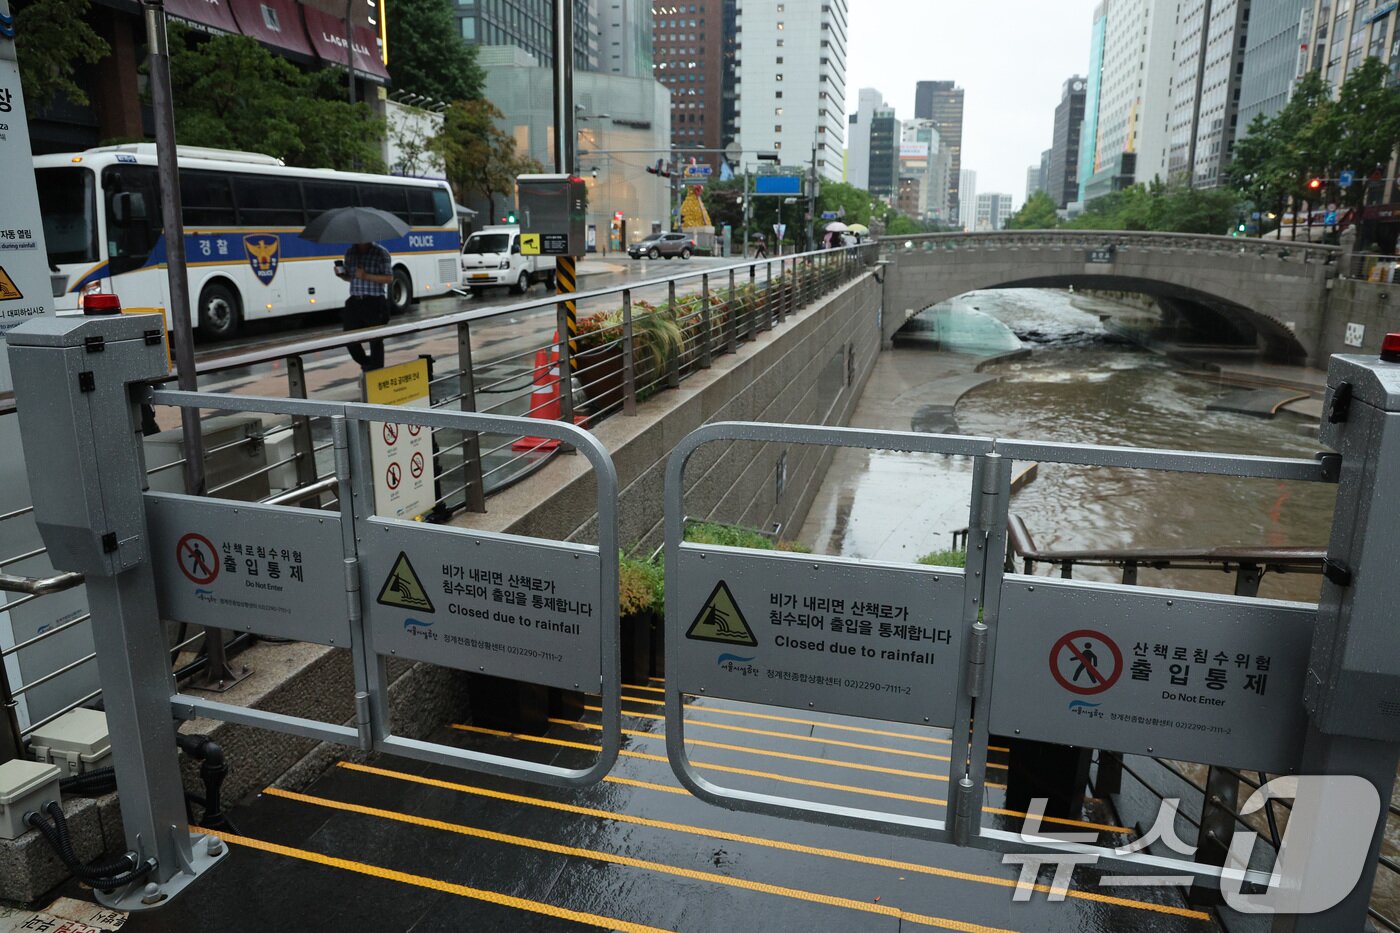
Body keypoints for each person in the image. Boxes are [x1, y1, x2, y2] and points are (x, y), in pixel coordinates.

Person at [337, 241, 393, 371]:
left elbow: (389, 278)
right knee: (349, 338)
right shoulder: (350, 252)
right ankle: (367, 363)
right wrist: (341, 274)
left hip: (374, 301)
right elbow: (351, 278)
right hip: (355, 301)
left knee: (375, 341)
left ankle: (376, 371)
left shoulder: (381, 252)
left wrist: (365, 276)